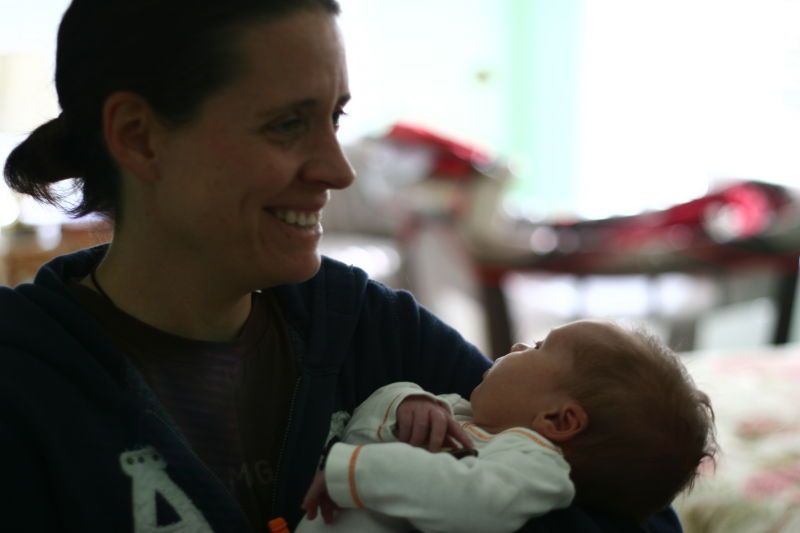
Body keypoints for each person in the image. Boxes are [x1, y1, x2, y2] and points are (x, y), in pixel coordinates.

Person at [0, 0, 684, 532]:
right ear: (140, 138)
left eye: (335, 116)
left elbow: (629, 496)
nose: (340, 169)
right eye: (287, 124)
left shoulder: (371, 333)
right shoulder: (26, 381)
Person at [299, 320, 716, 533]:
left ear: (558, 419)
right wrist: (404, 402)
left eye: (539, 347)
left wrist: (351, 471)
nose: (517, 346)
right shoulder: (462, 416)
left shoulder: (534, 467)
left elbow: (470, 500)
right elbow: (361, 430)